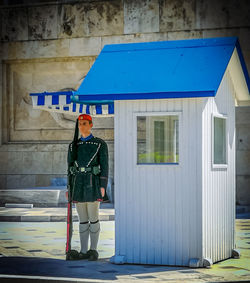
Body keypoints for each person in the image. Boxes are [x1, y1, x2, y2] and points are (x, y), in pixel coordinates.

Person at [66, 113, 109, 261]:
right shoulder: (73, 146)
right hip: (78, 184)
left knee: (93, 217)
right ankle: (84, 250)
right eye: (80, 124)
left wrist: (103, 185)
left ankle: (93, 249)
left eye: (85, 123)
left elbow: (105, 166)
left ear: (91, 125)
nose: (82, 126)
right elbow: (70, 168)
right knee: (82, 219)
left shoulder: (100, 144)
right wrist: (69, 188)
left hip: (92, 183)